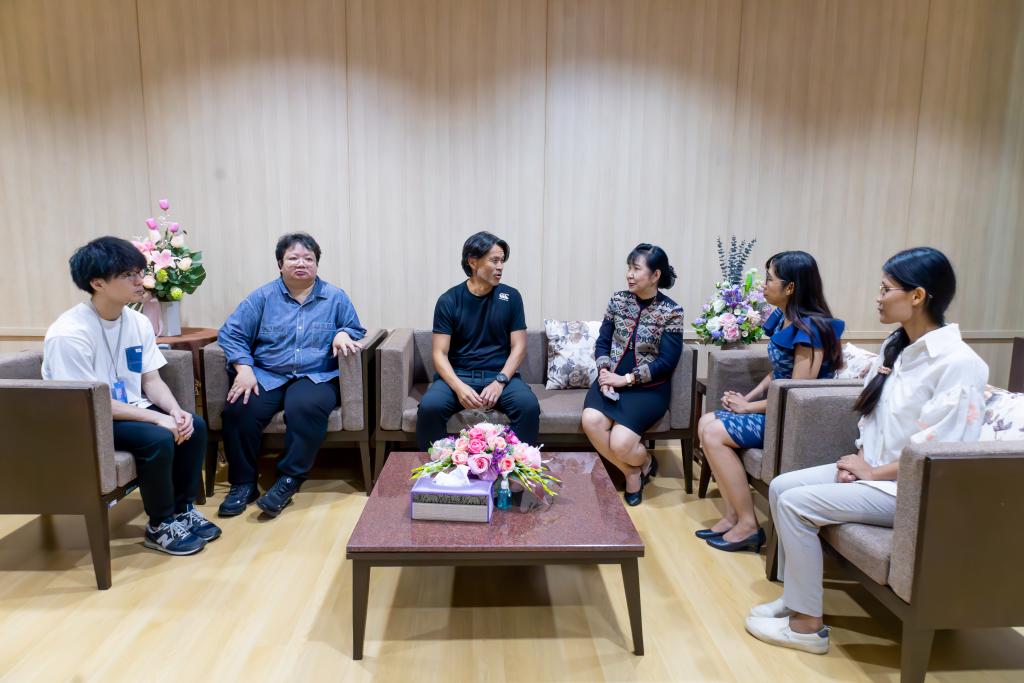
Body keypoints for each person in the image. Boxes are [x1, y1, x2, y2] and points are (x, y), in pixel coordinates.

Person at [745, 247, 988, 654]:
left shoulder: (958, 364)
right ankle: (796, 598)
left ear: (917, 296)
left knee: (796, 505)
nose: (878, 297)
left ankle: (806, 628)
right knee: (782, 487)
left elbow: (940, 455)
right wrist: (859, 461)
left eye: (885, 289)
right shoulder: (900, 346)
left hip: (910, 491)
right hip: (875, 474)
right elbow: (876, 419)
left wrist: (872, 473)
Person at [43, 236, 216, 555]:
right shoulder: (69, 333)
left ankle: (182, 511)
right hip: (86, 421)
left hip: (127, 409)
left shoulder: (137, 322)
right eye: (127, 275)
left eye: (139, 272)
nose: (140, 280)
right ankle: (159, 525)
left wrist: (175, 411)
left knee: (195, 426)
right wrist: (157, 419)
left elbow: (151, 379)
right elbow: (90, 403)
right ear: (98, 283)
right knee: (157, 438)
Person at [697, 251, 845, 551]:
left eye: (769, 279)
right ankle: (733, 515)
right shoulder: (782, 318)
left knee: (713, 433)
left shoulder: (811, 328)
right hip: (779, 411)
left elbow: (797, 392)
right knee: (705, 422)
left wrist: (748, 408)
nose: (763, 285)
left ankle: (748, 526)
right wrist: (747, 397)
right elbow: (778, 372)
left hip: (795, 422)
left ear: (790, 287)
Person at [217, 232, 365, 518]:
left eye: (308, 258)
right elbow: (231, 334)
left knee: (306, 407)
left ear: (317, 264)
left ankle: (289, 479)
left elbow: (355, 328)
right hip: (267, 373)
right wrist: (244, 369)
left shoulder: (335, 297)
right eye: (293, 258)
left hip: (316, 375)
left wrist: (343, 333)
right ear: (280, 264)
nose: (301, 263)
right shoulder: (262, 297)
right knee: (239, 409)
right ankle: (243, 483)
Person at [581, 244, 685, 506]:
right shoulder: (618, 300)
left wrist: (627, 379)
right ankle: (632, 472)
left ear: (655, 275)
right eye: (629, 267)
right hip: (611, 379)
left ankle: (646, 460)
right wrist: (604, 372)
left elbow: (667, 362)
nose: (629, 274)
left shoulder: (672, 312)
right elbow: (603, 342)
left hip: (648, 389)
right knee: (591, 420)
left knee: (621, 444)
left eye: (636, 269)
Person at [416, 231, 540, 449]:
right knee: (429, 407)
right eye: (494, 260)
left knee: (528, 406)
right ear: (473, 262)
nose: (500, 267)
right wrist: (459, 387)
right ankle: (438, 464)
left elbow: (519, 346)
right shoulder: (449, 300)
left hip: (500, 375)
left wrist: (500, 381)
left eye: (502, 260)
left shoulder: (511, 297)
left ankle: (514, 464)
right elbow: (439, 353)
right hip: (459, 374)